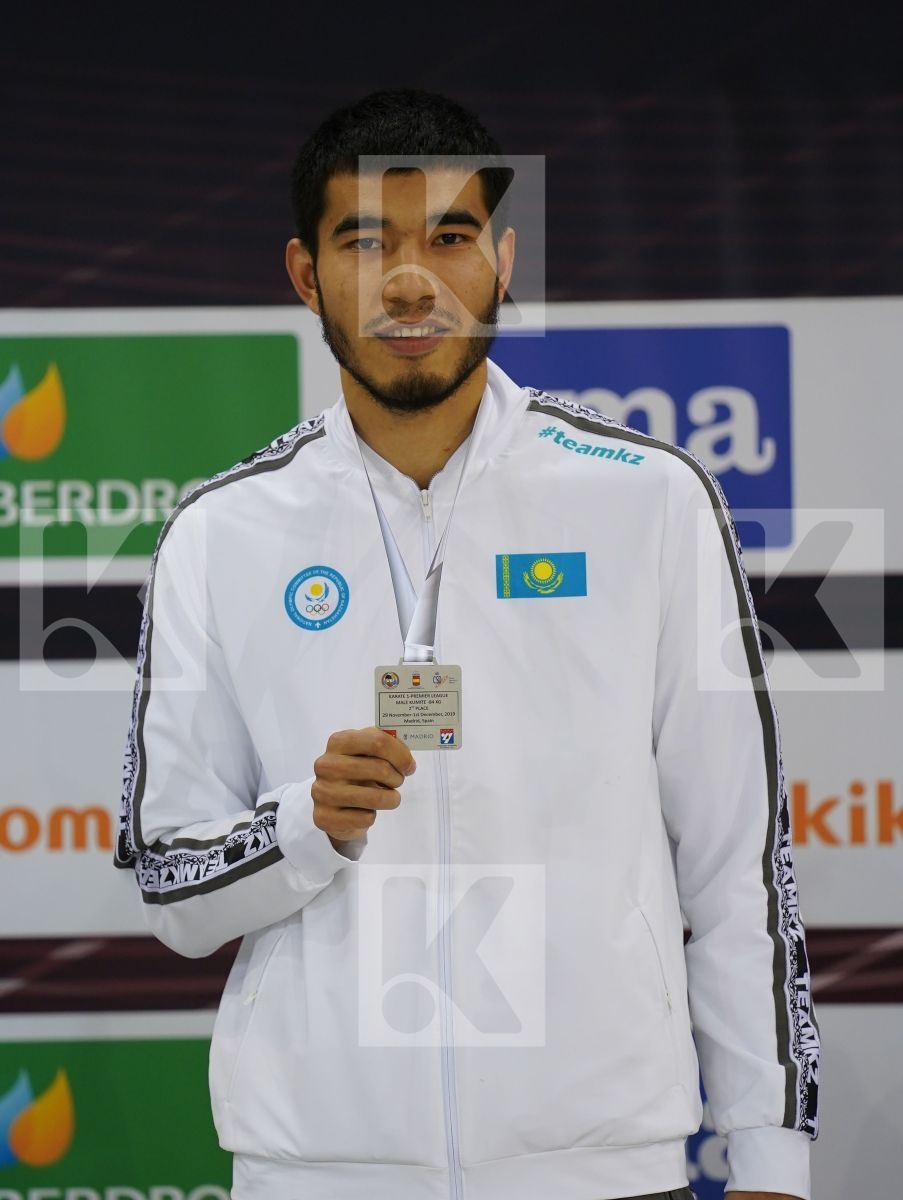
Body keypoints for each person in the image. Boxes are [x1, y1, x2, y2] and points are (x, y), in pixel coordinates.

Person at [115, 88, 819, 1200]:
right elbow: (169, 883)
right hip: (317, 1172)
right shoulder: (219, 533)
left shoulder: (649, 501)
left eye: (449, 238)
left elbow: (739, 860)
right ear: (306, 275)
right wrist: (306, 825)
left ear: (502, 261)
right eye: (366, 242)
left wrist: (771, 1154)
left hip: (601, 1169)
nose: (409, 280)